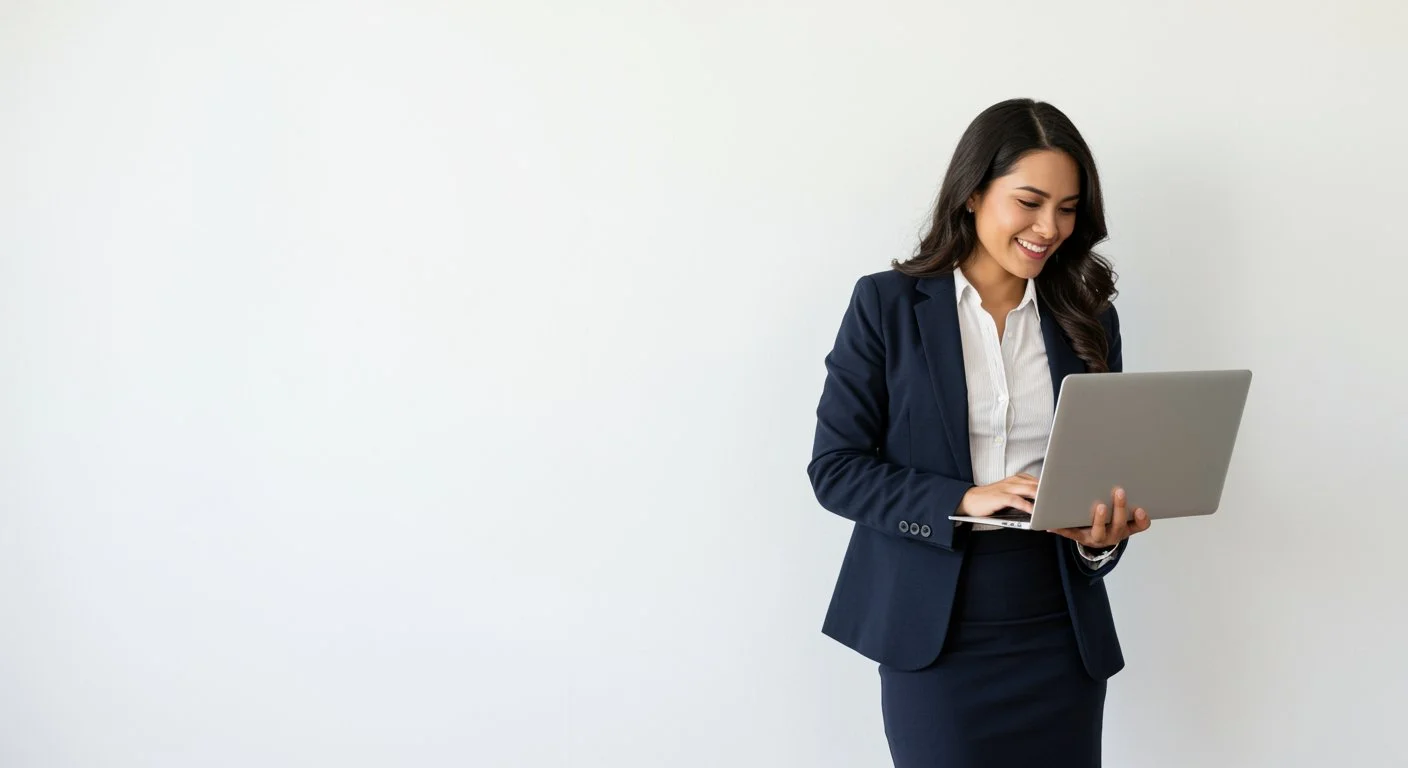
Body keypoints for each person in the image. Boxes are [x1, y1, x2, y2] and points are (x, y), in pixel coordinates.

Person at [806, 98, 1153, 768]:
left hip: (1057, 629)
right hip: (936, 632)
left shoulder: (1087, 319)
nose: (1048, 227)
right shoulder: (885, 307)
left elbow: (1101, 475)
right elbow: (836, 468)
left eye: (1068, 208)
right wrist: (965, 498)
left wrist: (1097, 541)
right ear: (972, 193)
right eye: (1029, 201)